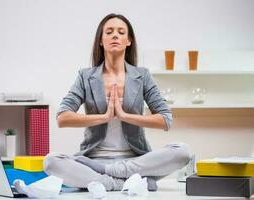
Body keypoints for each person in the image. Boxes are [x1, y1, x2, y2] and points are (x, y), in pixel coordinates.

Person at [44, 13, 192, 191]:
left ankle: (109, 175)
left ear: (129, 41)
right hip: (93, 161)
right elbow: (63, 118)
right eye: (109, 32)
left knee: (183, 152)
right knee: (51, 161)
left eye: (121, 32)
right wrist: (104, 117)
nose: (115, 35)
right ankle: (125, 183)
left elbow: (165, 120)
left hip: (136, 160)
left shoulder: (142, 76)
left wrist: (124, 116)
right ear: (101, 40)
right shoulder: (85, 76)